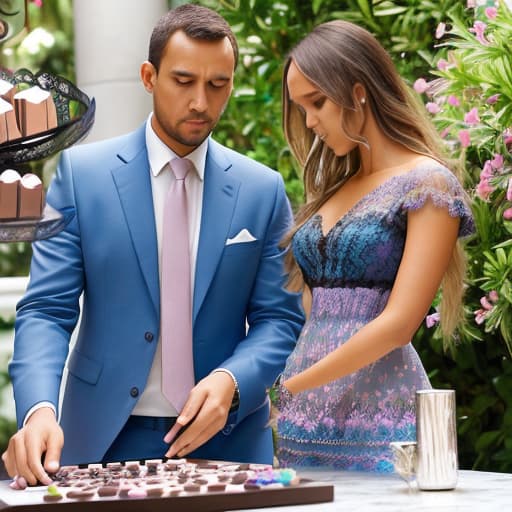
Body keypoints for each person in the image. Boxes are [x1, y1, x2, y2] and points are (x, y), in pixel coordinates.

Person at [3, 3, 304, 487]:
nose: (201, 103)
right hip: (103, 438)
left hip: (229, 440)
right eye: (183, 81)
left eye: (217, 84)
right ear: (149, 76)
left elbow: (280, 317)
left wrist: (232, 383)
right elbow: (46, 309)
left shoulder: (261, 190)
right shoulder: (82, 178)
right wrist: (39, 408)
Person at [275, 20, 474, 472]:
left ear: (358, 92)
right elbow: (315, 311)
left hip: (380, 425)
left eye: (317, 103)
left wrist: (292, 388)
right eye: (301, 108)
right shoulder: (332, 188)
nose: (309, 122)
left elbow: (399, 324)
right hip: (301, 423)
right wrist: (290, 393)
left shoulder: (427, 183)